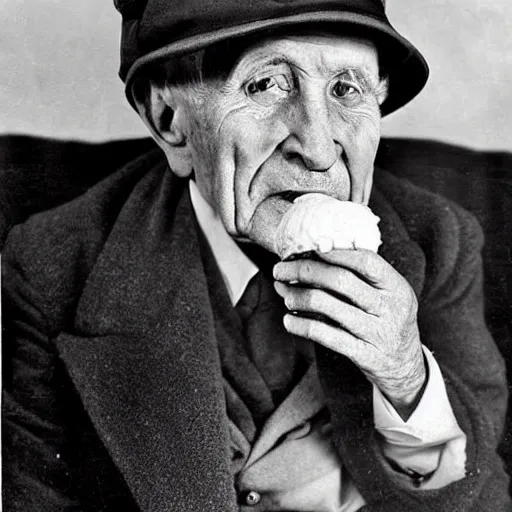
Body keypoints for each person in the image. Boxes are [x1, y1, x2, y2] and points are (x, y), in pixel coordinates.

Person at [1, 1, 510, 510]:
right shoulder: (53, 267)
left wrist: (404, 377)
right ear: (169, 119)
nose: (318, 149)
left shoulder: (439, 240)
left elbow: (477, 500)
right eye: (266, 85)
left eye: (346, 90)